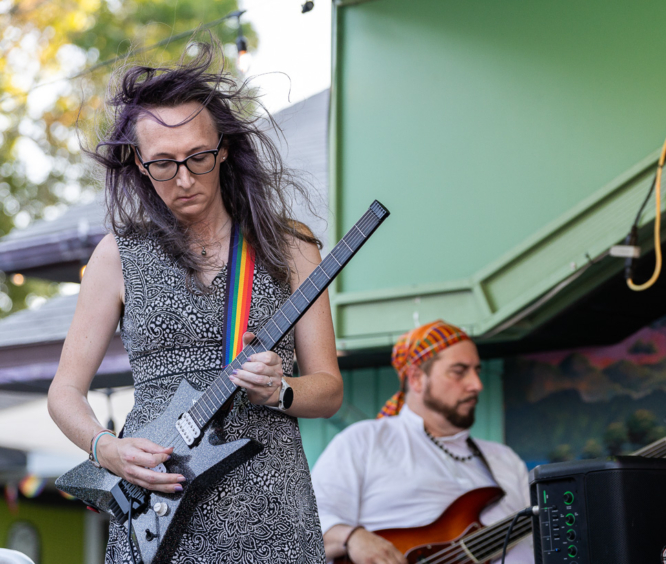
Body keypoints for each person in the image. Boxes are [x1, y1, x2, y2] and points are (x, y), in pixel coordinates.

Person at [47, 42, 341, 563]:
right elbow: (64, 392)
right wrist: (106, 448)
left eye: (198, 157)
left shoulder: (289, 244)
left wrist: (281, 390)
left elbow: (329, 389)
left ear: (223, 149)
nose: (184, 179)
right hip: (156, 510)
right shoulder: (117, 255)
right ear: (138, 164)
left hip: (270, 507)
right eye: (162, 164)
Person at [311, 320, 532, 564]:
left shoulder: (504, 459)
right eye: (459, 371)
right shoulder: (364, 441)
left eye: (477, 371)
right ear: (416, 378)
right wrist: (352, 538)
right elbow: (305, 524)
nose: (476, 385)